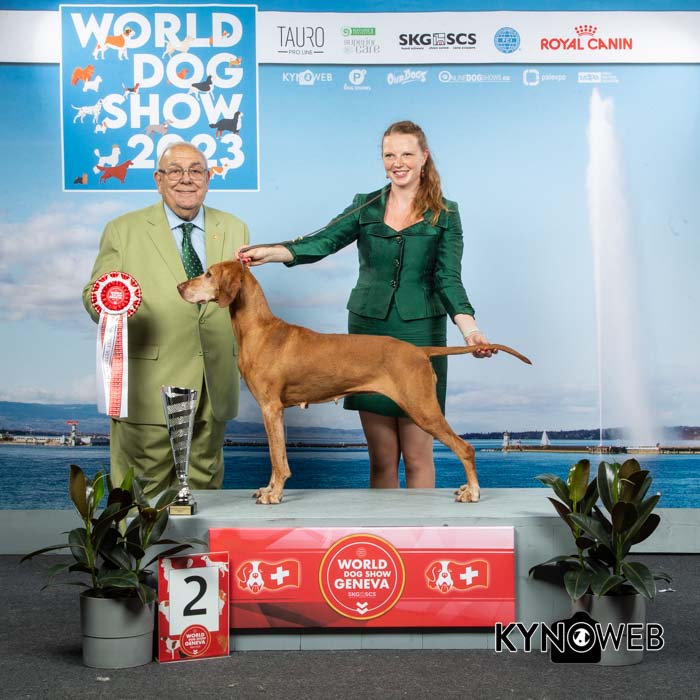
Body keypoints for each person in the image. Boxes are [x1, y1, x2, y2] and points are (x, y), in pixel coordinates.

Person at [239, 120, 492, 489]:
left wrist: (471, 331)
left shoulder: (446, 214)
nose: (397, 162)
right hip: (367, 330)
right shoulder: (365, 205)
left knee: (418, 454)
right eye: (389, 155)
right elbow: (323, 241)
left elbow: (448, 279)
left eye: (406, 154)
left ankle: (420, 525)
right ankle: (385, 527)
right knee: (382, 458)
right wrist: (274, 251)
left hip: (420, 330)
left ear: (424, 156)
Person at [82, 142, 250, 497]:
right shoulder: (122, 229)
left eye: (196, 171)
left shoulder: (235, 228)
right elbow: (94, 294)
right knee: (142, 498)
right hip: (149, 387)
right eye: (175, 171)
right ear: (158, 180)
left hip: (215, 386)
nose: (186, 179)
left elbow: (240, 300)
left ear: (208, 179)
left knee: (205, 493)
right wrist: (112, 306)